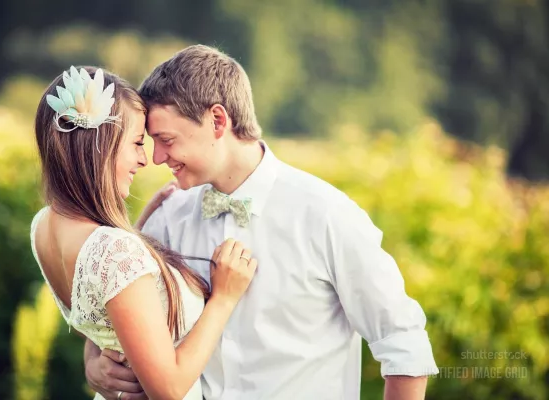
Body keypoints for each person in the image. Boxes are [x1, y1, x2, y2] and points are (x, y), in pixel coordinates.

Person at [86, 45, 439, 400]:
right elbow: (114, 317)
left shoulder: (327, 215)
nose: (157, 157)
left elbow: (402, 342)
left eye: (166, 140)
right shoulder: (168, 218)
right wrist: (96, 367)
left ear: (218, 120)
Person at [30, 65, 257, 400]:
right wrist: (223, 299)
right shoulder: (115, 251)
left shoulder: (44, 225)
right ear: (100, 146)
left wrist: (135, 232)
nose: (145, 159)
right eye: (137, 142)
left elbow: (104, 304)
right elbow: (168, 389)